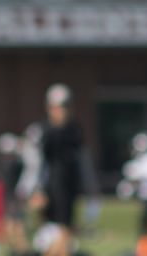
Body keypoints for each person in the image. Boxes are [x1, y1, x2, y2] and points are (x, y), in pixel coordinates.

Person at [32, 84, 99, 256]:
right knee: (53, 236)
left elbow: (82, 161)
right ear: (49, 108)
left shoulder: (75, 130)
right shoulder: (44, 131)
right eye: (58, 107)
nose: (63, 111)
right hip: (51, 188)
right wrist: (38, 189)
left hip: (69, 188)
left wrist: (90, 187)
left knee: (66, 235)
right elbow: (38, 163)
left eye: (66, 106)